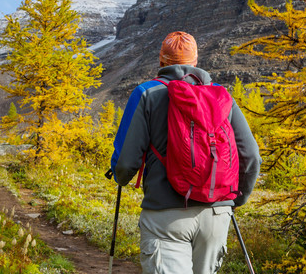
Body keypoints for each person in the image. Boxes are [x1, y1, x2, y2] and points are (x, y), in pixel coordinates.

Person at [110, 31, 261, 274]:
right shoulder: (222, 96)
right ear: (195, 61)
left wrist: (120, 177)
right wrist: (234, 200)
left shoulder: (146, 93)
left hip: (165, 217)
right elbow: (251, 155)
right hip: (216, 213)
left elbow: (126, 163)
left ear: (161, 61)